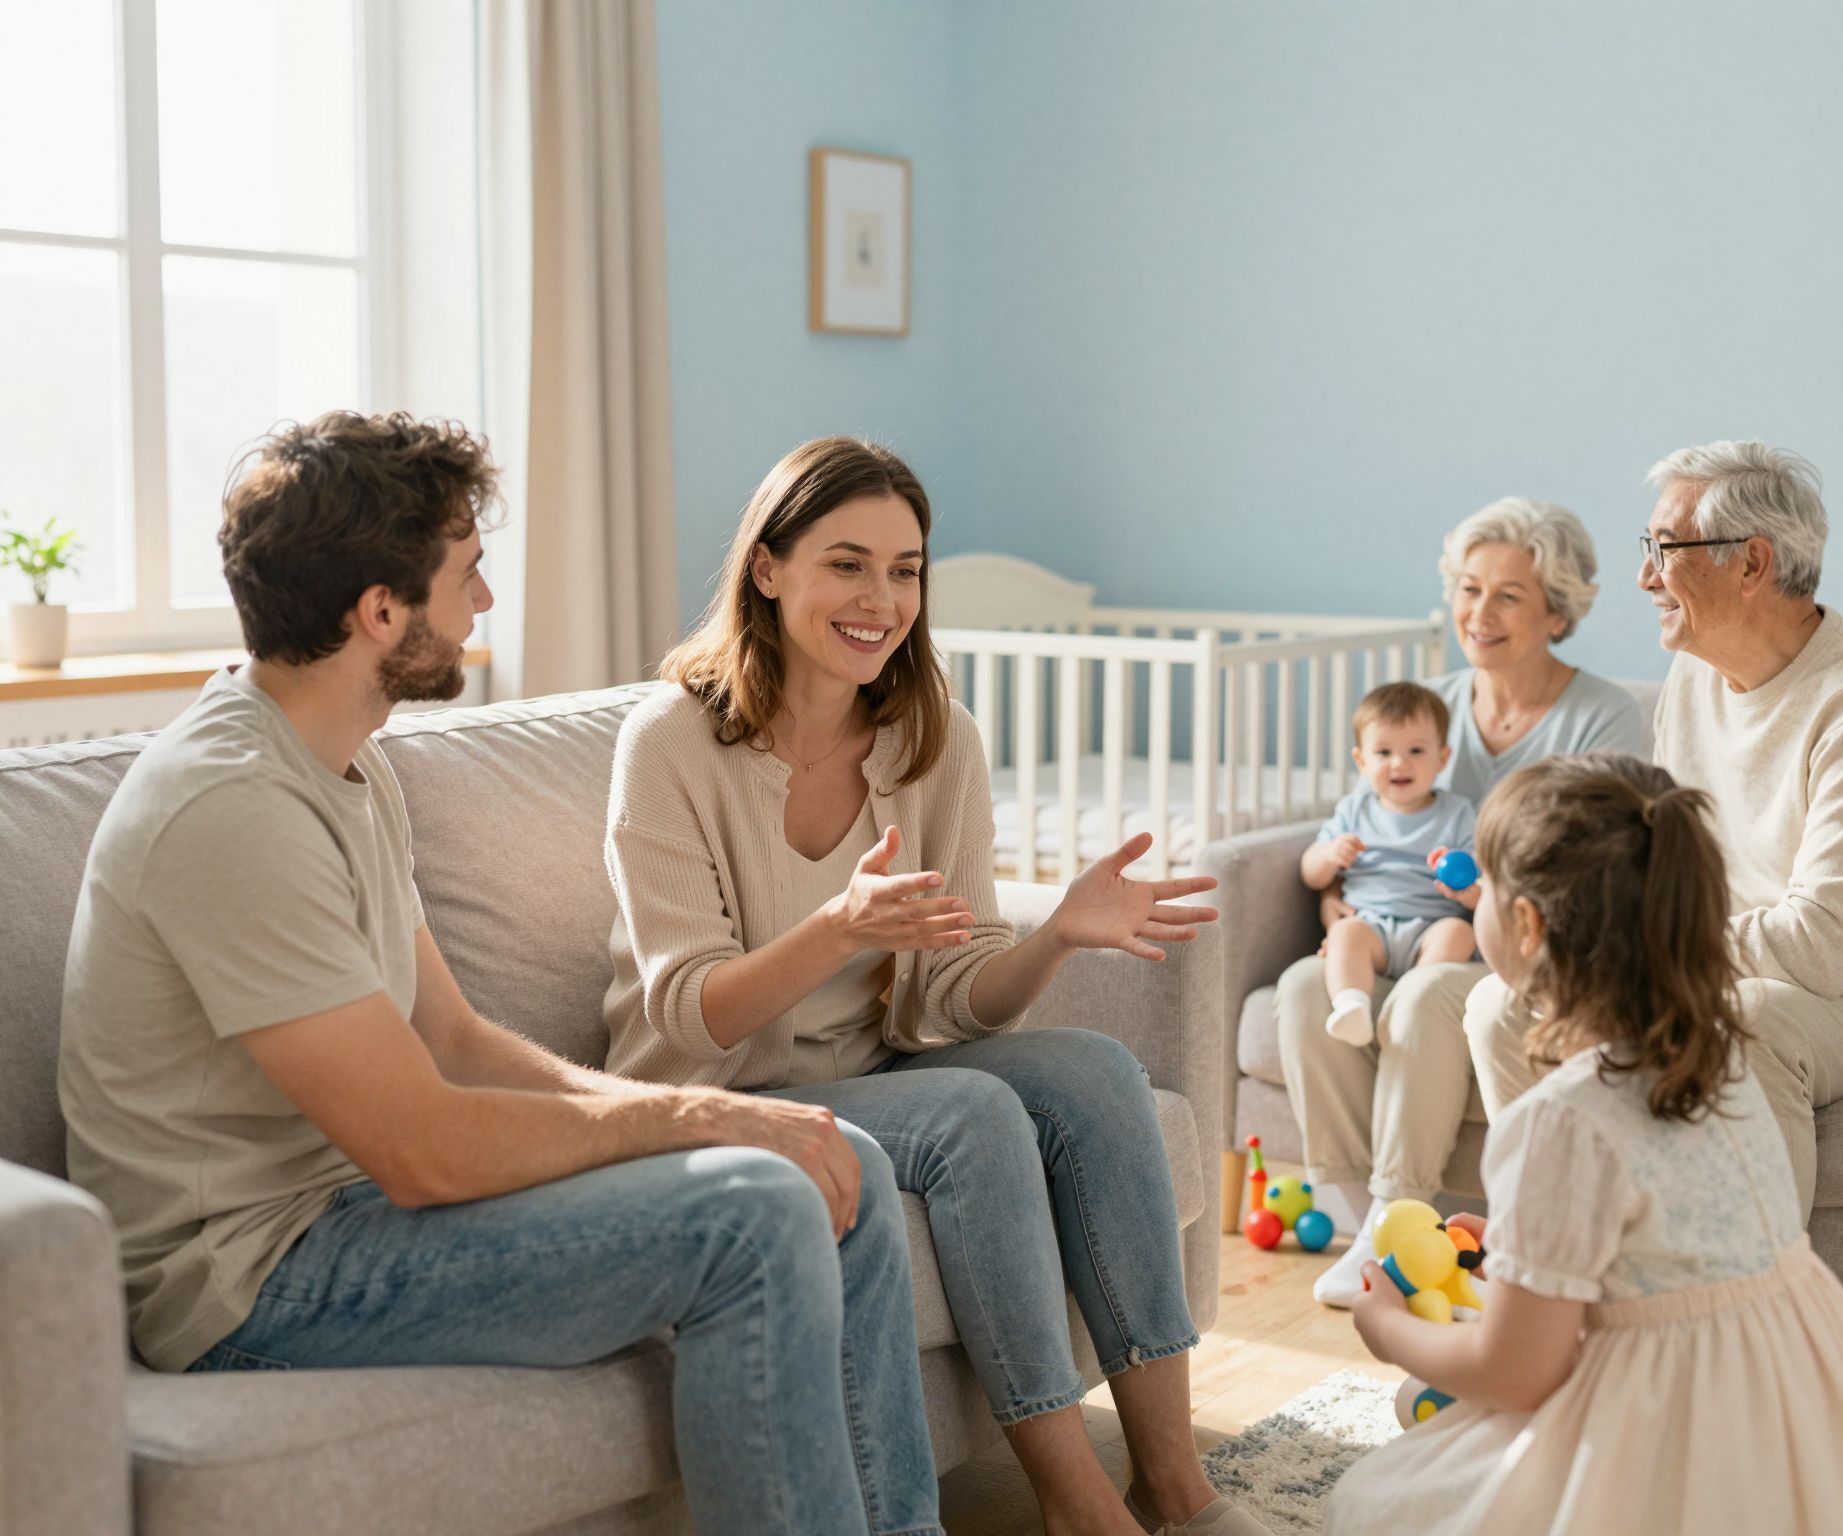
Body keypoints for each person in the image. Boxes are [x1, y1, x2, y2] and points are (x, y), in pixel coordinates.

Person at [56, 412, 944, 1536]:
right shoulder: (231, 806)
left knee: (840, 1162)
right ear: (381, 612)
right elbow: (424, 1147)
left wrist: (723, 1116)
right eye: (465, 576)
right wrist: (696, 1120)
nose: (483, 606)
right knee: (755, 1217)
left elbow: (459, 1042)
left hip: (349, 1211)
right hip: (253, 1279)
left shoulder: (345, 769)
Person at [603, 435, 1271, 1536]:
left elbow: (949, 998)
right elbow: (688, 1010)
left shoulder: (930, 738)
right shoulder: (669, 744)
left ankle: (1176, 1489)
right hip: (717, 1093)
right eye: (846, 563)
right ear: (767, 569)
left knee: (1097, 1074)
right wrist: (834, 928)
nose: (881, 599)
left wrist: (1055, 934)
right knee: (969, 1113)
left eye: (905, 569)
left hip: (868, 1068)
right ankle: (1075, 1503)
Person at [1326, 754, 1843, 1535]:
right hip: (1784, 1416)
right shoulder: (1720, 1058)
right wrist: (1529, 1249)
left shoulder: (1560, 1119)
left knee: (1384, 1506)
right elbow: (1664, 1245)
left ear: (1525, 927)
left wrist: (1391, 1331)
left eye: (1484, 880)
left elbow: (1515, 1374)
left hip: (1667, 1426)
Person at [1464, 442, 1843, 1220]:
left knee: (1750, 1022)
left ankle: (1752, 1312)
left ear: (1751, 564)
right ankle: (1546, 1258)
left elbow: (1817, 949)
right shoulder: (1696, 676)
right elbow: (1664, 868)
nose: (1645, 576)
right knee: (1503, 1006)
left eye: (1664, 551)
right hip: (1722, 973)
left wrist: (1640, 950)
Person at [1278, 498, 1642, 1307]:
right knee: (1307, 986)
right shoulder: (1429, 706)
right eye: (1468, 589)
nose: (1478, 614)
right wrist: (1337, 897)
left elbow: (1600, 873)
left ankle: (1394, 1214)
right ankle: (1359, 1216)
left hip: (1520, 949)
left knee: (1432, 997)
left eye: (1508, 595)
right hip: (1404, 929)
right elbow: (1366, 819)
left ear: (1558, 609)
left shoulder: (1602, 716)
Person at [1302, 682, 1476, 1045]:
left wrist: (1462, 882)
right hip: (1371, 926)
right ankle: (1351, 1005)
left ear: (1442, 758)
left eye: (1416, 750)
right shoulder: (1353, 811)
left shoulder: (1457, 813)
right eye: (1383, 752)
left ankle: (1412, 1002)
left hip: (1431, 926)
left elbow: (1477, 874)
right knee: (1344, 934)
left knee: (1459, 934)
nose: (1400, 763)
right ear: (1362, 761)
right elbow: (1311, 874)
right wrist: (1330, 854)